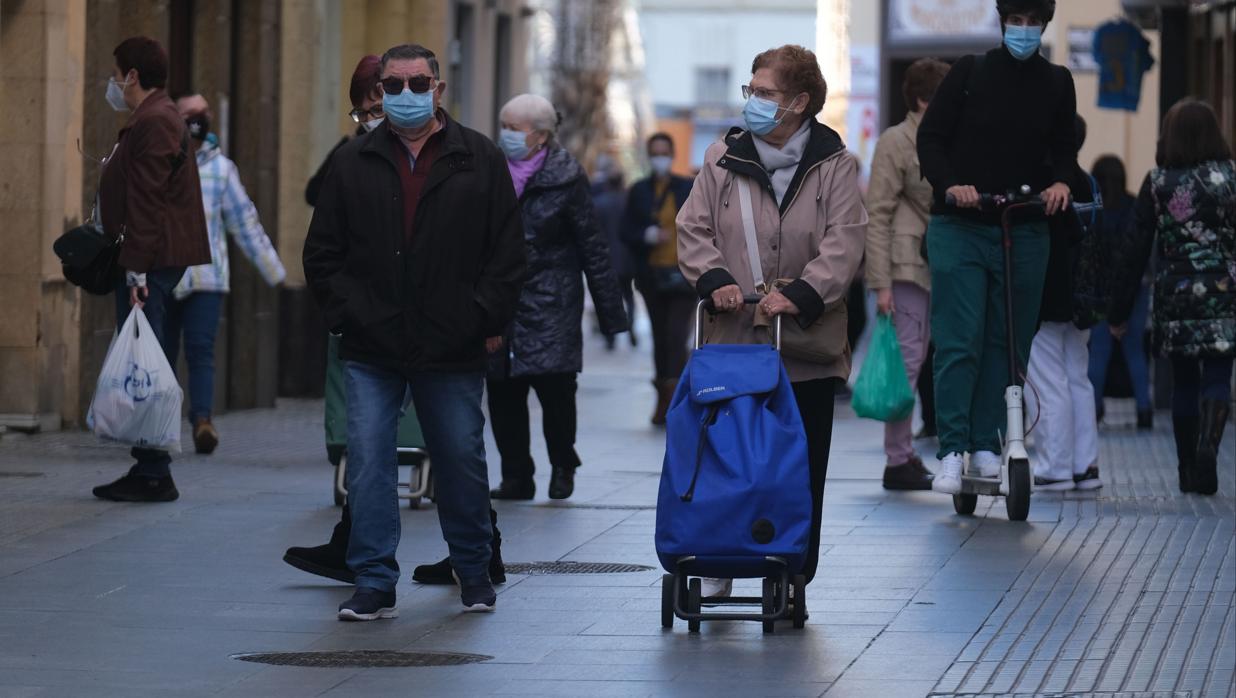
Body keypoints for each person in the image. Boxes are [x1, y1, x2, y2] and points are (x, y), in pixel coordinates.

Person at [303, 44, 525, 619]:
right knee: (370, 463)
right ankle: (373, 579)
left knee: (460, 458)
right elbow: (323, 253)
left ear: (438, 88)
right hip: (373, 345)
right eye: (393, 85)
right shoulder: (354, 162)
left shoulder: (478, 158)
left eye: (416, 83)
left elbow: (506, 252)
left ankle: (473, 569)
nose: (405, 95)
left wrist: (481, 317)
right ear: (380, 90)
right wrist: (349, 313)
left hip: (451, 344)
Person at [677, 44, 867, 597]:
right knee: (726, 455)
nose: (754, 102)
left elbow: (845, 240)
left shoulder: (834, 164)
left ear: (800, 102)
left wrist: (805, 293)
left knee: (801, 465)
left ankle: (791, 571)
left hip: (803, 345)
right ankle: (720, 553)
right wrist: (715, 280)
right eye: (751, 91)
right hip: (734, 341)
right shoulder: (721, 158)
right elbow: (692, 229)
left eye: (767, 94)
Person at [917, 0, 1078, 494]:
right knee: (959, 338)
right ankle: (951, 449)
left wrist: (1062, 183)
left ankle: (989, 444)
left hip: (1025, 225)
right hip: (961, 225)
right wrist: (950, 185)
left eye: (1033, 23)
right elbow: (932, 138)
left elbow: (1064, 149)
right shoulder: (970, 72)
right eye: (1016, 22)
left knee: (1008, 342)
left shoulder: (1057, 82)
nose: (1024, 31)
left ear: (1044, 26)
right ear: (1002, 22)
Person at [486, 94, 629, 502]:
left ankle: (563, 463)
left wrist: (611, 314)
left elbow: (592, 245)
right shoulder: (490, 170)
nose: (506, 135)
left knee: (556, 392)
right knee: (502, 391)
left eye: (514, 128)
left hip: (552, 300)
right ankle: (516, 475)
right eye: (504, 126)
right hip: (502, 300)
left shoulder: (566, 175)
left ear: (540, 134)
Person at [91, 37, 211, 503]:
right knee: (147, 358)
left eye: (117, 72)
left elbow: (147, 199)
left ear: (133, 76)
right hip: (154, 257)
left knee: (146, 361)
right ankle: (148, 464)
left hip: (152, 260)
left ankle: (154, 468)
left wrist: (137, 271)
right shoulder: (157, 116)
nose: (114, 82)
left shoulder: (156, 119)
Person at [1110, 98, 1234, 496]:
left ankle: (1186, 468)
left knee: (1183, 381)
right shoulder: (1231, 179)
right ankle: (1208, 450)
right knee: (1217, 376)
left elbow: (1133, 249)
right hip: (1225, 293)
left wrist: (1119, 310)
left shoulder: (1157, 182)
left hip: (1175, 295)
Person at [168, 94, 287, 455]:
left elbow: (244, 223)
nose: (197, 120)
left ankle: (202, 420)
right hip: (166, 275)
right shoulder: (162, 162)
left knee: (201, 350)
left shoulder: (221, 169)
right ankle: (160, 425)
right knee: (163, 352)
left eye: (202, 114)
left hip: (207, 277)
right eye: (189, 114)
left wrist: (274, 271)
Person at [864, 57, 951, 491]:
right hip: (905, 266)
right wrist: (880, 284)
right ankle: (897, 459)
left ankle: (906, 455)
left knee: (921, 360)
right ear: (922, 99)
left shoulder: (945, 136)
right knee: (908, 363)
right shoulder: (897, 141)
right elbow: (876, 214)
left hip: (934, 261)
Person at [1025, 115, 1102, 491]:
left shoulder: (1047, 183)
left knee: (1045, 378)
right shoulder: (1088, 182)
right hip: (1082, 295)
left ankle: (1055, 465)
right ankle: (1084, 465)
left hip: (1049, 290)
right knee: (1077, 377)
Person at [622, 133, 696, 425]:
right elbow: (625, 231)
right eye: (655, 152)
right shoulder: (639, 190)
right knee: (660, 338)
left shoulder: (687, 188)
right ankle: (663, 395)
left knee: (677, 337)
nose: (660, 157)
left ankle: (675, 396)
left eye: (665, 152)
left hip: (683, 275)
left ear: (673, 153)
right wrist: (646, 235)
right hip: (651, 276)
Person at [1087, 155, 1153, 429]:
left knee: (1098, 352)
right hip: (1135, 288)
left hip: (1099, 291)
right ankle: (1144, 409)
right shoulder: (1134, 206)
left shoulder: (1093, 208)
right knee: (1135, 350)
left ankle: (1093, 409)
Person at [305, 55, 385, 207]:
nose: (369, 120)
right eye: (361, 113)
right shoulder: (353, 145)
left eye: (378, 109)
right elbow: (314, 193)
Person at [591, 164, 638, 350]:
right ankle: (630, 326)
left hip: (607, 259)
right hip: (627, 259)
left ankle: (611, 335)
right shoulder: (629, 202)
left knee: (608, 299)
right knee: (629, 296)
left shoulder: (599, 203)